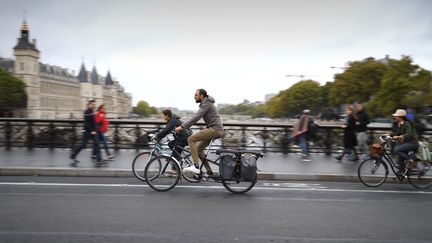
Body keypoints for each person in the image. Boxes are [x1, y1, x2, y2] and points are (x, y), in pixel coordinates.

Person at [175, 89, 224, 175]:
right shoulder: (206, 103)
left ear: (201, 96)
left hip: (215, 129)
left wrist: (182, 127)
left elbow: (196, 117)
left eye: (196, 95)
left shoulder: (206, 103)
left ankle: (195, 166)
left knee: (191, 139)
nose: (194, 97)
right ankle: (209, 171)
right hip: (214, 129)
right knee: (198, 150)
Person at [70, 100, 102, 165]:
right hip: (88, 132)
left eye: (94, 104)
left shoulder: (92, 111)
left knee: (97, 144)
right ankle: (73, 155)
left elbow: (93, 122)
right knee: (83, 145)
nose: (94, 105)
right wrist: (92, 131)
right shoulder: (87, 112)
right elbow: (86, 123)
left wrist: (96, 128)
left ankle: (99, 159)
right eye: (92, 104)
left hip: (92, 131)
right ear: (89, 105)